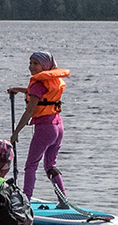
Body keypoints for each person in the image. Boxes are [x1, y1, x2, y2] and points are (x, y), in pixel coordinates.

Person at [8, 51, 71, 201]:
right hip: (58, 127)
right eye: (30, 63)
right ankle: (63, 200)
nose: (31, 67)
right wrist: (18, 89)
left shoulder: (38, 83)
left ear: (45, 65)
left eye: (36, 64)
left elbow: (30, 111)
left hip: (45, 129)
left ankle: (26, 200)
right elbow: (37, 94)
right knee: (50, 166)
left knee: (31, 165)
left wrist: (16, 132)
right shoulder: (51, 81)